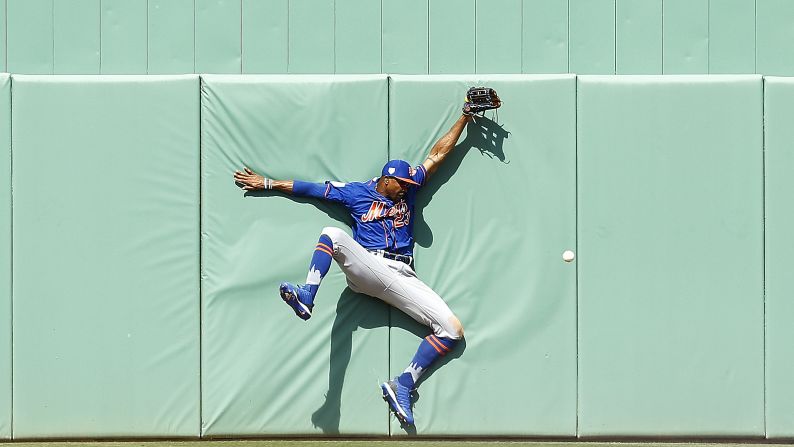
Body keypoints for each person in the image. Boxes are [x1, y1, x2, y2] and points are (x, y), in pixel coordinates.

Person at [233, 108, 473, 426]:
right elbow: (311, 188)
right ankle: (307, 293)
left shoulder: (410, 187)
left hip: (402, 275)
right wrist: (266, 183)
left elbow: (438, 153)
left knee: (452, 330)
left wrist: (465, 117)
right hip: (368, 264)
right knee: (332, 234)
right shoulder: (357, 193)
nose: (405, 187)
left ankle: (403, 384)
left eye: (406, 182)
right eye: (399, 183)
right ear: (386, 180)